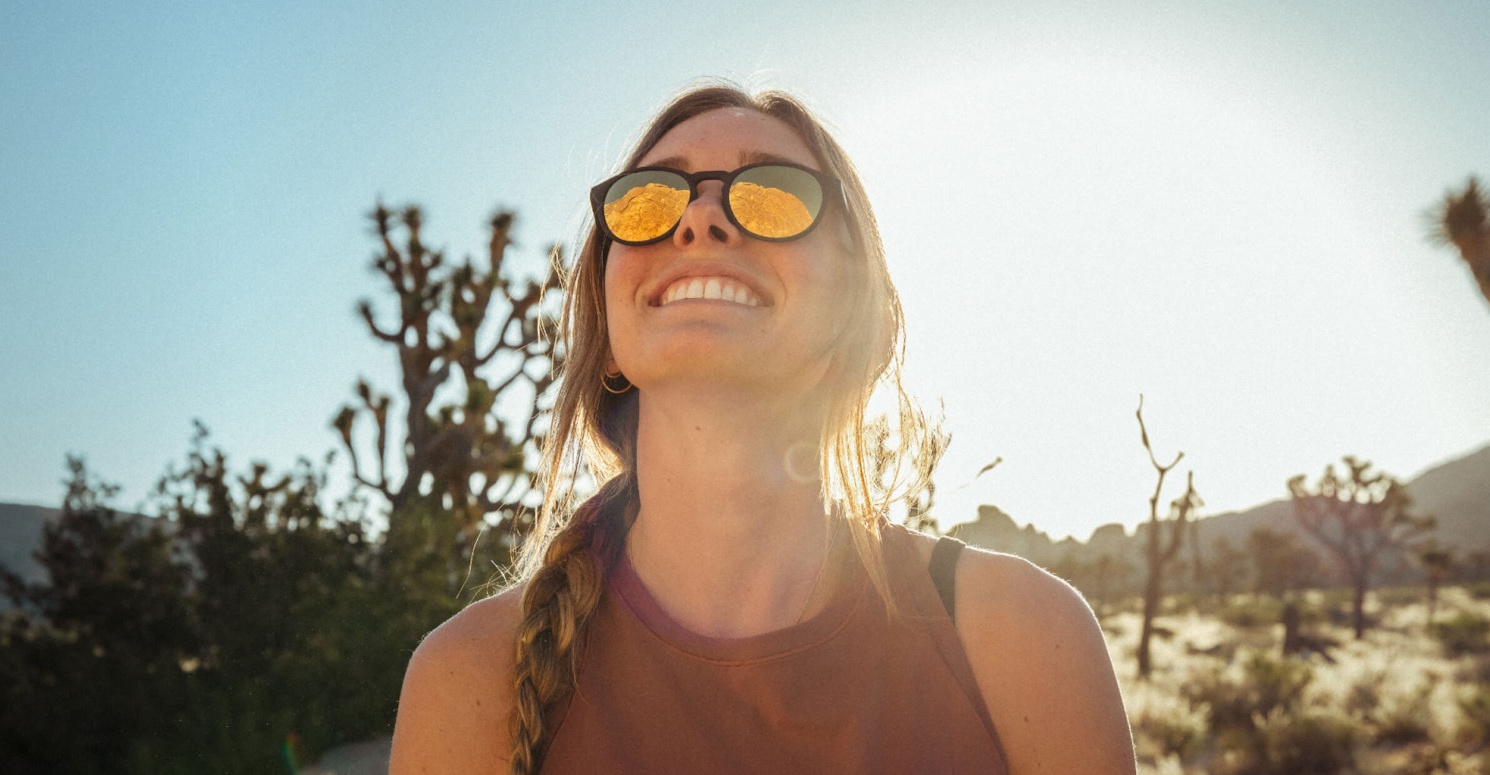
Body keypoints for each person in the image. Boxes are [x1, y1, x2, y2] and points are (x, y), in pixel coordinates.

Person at [389, 84, 1134, 774]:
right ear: (610, 325)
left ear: (851, 306)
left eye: (774, 195)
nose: (700, 217)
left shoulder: (1021, 640)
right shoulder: (471, 677)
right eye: (649, 200)